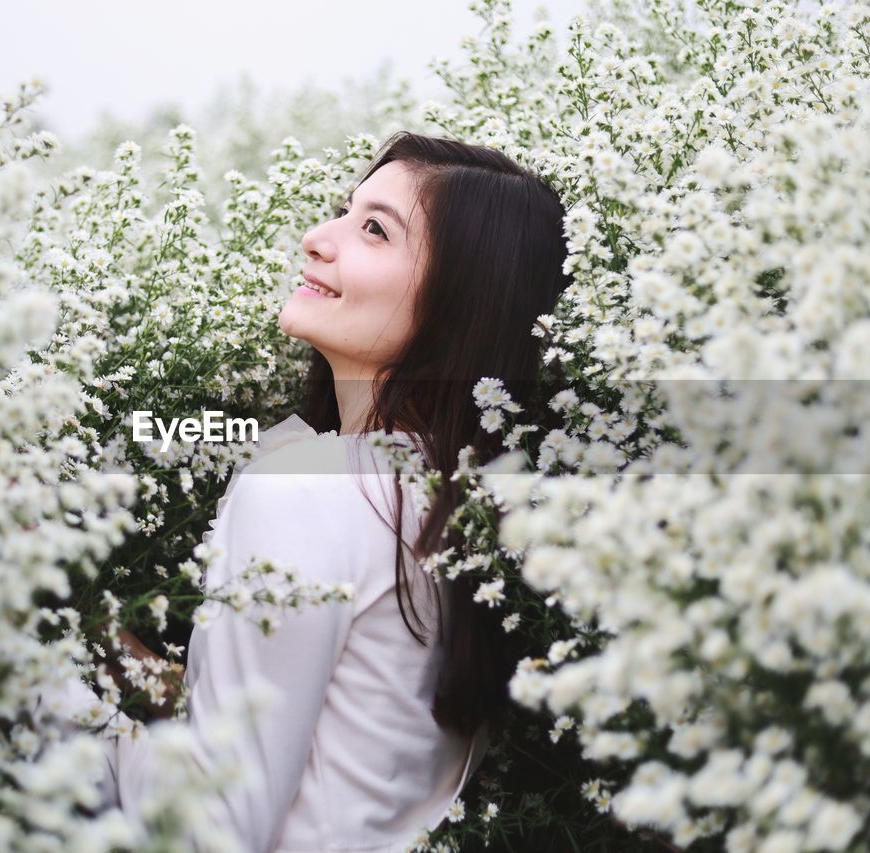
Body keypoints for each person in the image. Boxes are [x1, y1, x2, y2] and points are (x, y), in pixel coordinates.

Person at [37, 131, 573, 852]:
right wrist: (98, 633)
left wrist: (37, 684)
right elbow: (312, 725)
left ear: (458, 300)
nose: (319, 238)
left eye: (375, 230)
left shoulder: (309, 487)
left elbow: (215, 830)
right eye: (343, 211)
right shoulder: (450, 500)